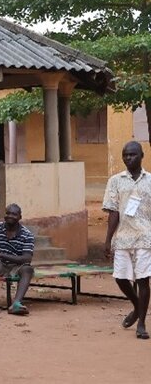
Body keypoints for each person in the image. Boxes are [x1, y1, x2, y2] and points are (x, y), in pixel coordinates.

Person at [103, 140, 151, 340]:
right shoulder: (115, 181)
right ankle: (137, 305)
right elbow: (113, 212)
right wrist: (108, 240)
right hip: (123, 237)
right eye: (125, 155)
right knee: (120, 278)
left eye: (132, 154)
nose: (128, 158)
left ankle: (141, 323)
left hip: (145, 237)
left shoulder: (150, 181)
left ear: (142, 156)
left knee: (143, 279)